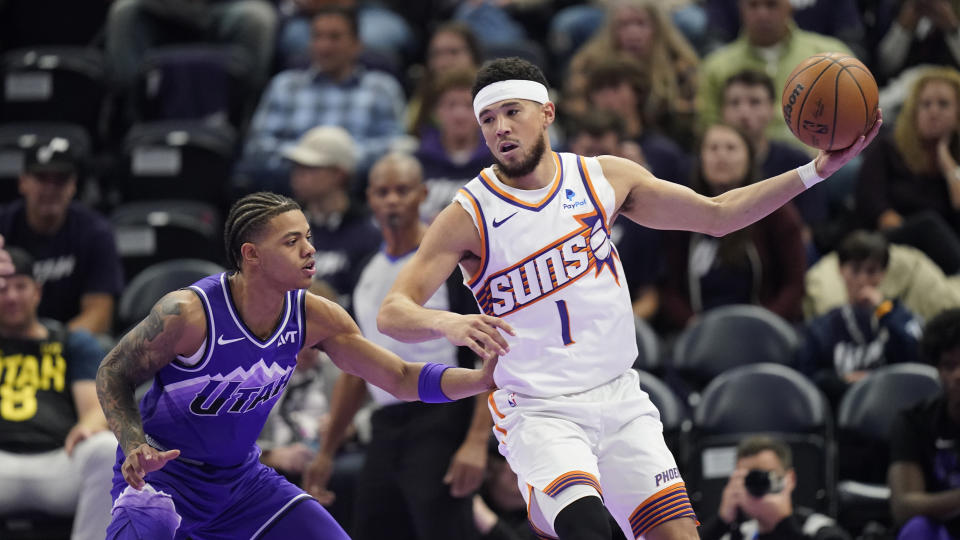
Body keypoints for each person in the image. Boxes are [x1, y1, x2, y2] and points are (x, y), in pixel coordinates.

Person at [378, 57, 880, 540]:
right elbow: (392, 312)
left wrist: (816, 171)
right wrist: (449, 324)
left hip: (620, 398)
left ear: (547, 112)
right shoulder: (469, 212)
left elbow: (718, 214)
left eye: (513, 111)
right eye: (488, 118)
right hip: (539, 411)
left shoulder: (604, 178)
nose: (500, 128)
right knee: (589, 529)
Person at [95, 191, 498, 539]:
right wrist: (133, 444)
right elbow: (113, 372)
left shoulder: (316, 317)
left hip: (242, 484)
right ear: (251, 255)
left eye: (308, 237)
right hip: (165, 481)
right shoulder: (187, 314)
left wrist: (481, 380)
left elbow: (400, 378)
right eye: (292, 242)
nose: (310, 250)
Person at [305, 153, 491, 539]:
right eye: (383, 192)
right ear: (370, 198)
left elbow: (486, 355)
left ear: (423, 194)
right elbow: (356, 369)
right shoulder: (366, 272)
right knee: (374, 527)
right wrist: (327, 450)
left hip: (443, 414)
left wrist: (476, 442)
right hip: (386, 421)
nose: (392, 200)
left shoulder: (452, 265)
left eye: (402, 191)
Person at [0, 247, 117, 540]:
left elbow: (94, 409)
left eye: (20, 286)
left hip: (60, 460)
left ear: (37, 291)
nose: (12, 296)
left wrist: (90, 425)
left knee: (108, 449)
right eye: (2, 289)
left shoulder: (70, 343)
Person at [235, 5, 405, 193]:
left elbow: (395, 147)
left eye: (334, 37)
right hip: (288, 191)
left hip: (356, 195)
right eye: (317, 36)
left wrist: (337, 163)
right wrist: (309, 164)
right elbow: (258, 147)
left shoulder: (381, 87)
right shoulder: (285, 85)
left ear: (357, 45)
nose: (324, 46)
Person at [658, 123, 806, 332]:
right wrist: (692, 324)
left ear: (749, 158)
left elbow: (794, 286)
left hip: (763, 331)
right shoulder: (682, 212)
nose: (721, 156)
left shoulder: (777, 211)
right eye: (713, 148)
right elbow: (668, 289)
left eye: (731, 148)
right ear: (700, 159)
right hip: (700, 333)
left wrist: (763, 324)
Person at [0, 139, 124, 335]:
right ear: (23, 182)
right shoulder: (3, 226)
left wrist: (51, 344)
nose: (50, 188)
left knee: (99, 346)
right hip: (6, 340)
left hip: (69, 344)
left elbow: (100, 313)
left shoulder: (96, 232)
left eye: (60, 179)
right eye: (41, 178)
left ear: (73, 185)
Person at [697, 0, 852, 149]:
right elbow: (709, 127)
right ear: (741, 9)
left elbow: (850, 116)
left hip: (817, 156)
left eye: (771, 4)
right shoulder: (716, 67)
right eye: (753, 5)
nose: (762, 13)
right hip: (743, 163)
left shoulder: (831, 56)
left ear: (790, 6)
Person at [798, 230, 923, 409]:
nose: (863, 280)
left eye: (872, 271)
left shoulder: (898, 315)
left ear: (883, 273)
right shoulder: (823, 326)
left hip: (894, 408)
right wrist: (841, 381)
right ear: (841, 270)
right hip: (841, 412)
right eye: (855, 270)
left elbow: (918, 358)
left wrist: (883, 310)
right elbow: (807, 379)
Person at [856, 66, 960, 275]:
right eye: (926, 104)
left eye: (943, 104)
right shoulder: (889, 148)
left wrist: (949, 167)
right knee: (927, 224)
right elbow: (871, 201)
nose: (933, 111)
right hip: (890, 244)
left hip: (945, 253)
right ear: (914, 111)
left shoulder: (954, 159)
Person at [566, 0, 700, 146]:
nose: (633, 33)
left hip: (665, 144)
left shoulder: (680, 66)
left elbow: (686, 124)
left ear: (658, 29)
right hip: (599, 144)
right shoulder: (589, 65)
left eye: (641, 24)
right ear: (611, 31)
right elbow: (575, 114)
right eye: (624, 25)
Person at [720, 69, 830, 246]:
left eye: (755, 102)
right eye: (734, 103)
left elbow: (807, 232)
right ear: (723, 111)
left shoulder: (797, 161)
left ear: (772, 109)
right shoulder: (707, 164)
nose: (744, 112)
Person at [283, 125, 381, 307]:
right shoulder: (283, 228)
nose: (298, 175)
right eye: (297, 167)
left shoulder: (368, 234)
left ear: (339, 174)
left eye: (310, 168)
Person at [888, 307, 960, 540]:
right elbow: (903, 506)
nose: (958, 375)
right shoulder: (913, 422)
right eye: (949, 366)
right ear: (937, 370)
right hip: (939, 531)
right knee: (917, 529)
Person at [701, 435, 850, 540]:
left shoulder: (819, 530)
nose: (756, 484)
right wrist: (721, 521)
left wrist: (783, 524)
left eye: (763, 476)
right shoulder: (740, 532)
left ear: (790, 479)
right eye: (749, 478)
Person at [105, 0, 277, 89]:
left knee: (257, 19)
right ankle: (131, 108)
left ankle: (247, 114)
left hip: (224, 7)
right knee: (125, 11)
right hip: (164, 9)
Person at [415, 67, 494, 223]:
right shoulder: (418, 163)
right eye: (451, 105)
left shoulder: (499, 161)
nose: (459, 115)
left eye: (468, 105)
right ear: (436, 111)